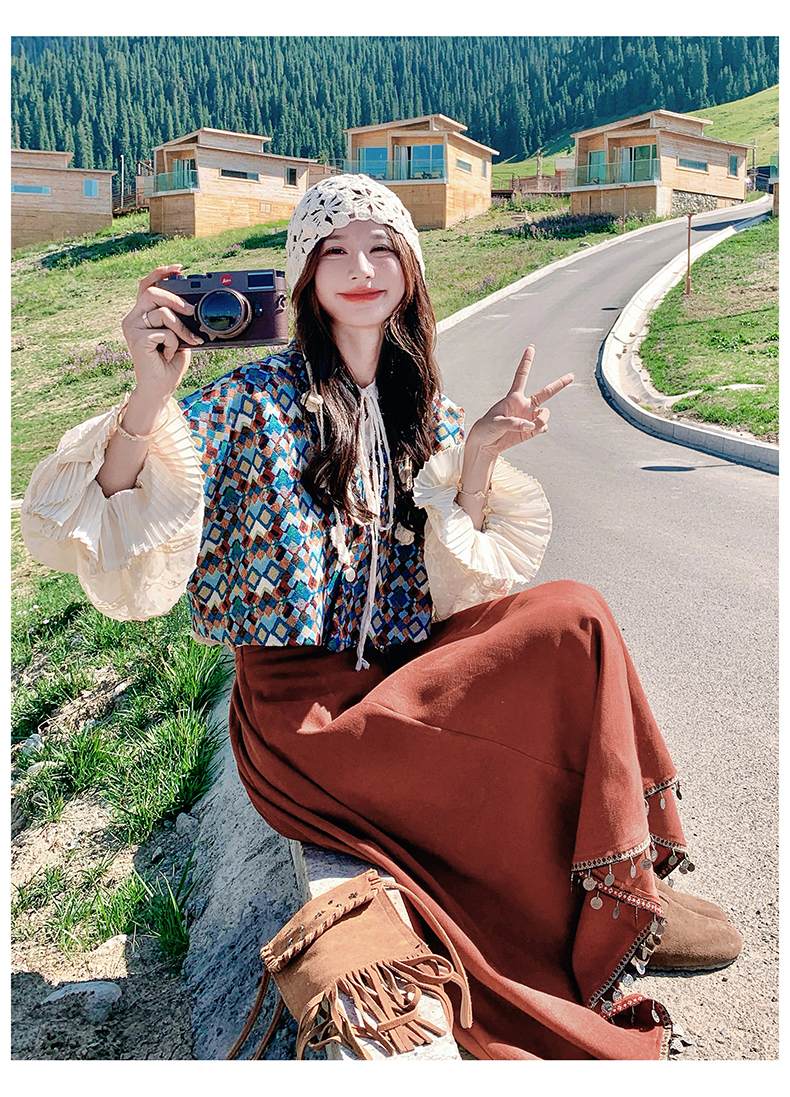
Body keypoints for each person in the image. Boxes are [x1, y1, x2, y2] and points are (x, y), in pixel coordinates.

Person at [21, 174, 742, 1061]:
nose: (361, 268)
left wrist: (478, 459)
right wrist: (146, 393)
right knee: (550, 645)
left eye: (380, 249)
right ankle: (592, 909)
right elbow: (102, 514)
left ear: (410, 270)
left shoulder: (425, 412)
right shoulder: (250, 402)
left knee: (573, 619)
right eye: (334, 251)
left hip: (398, 673)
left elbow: (453, 593)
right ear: (305, 277)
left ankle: (623, 885)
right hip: (304, 717)